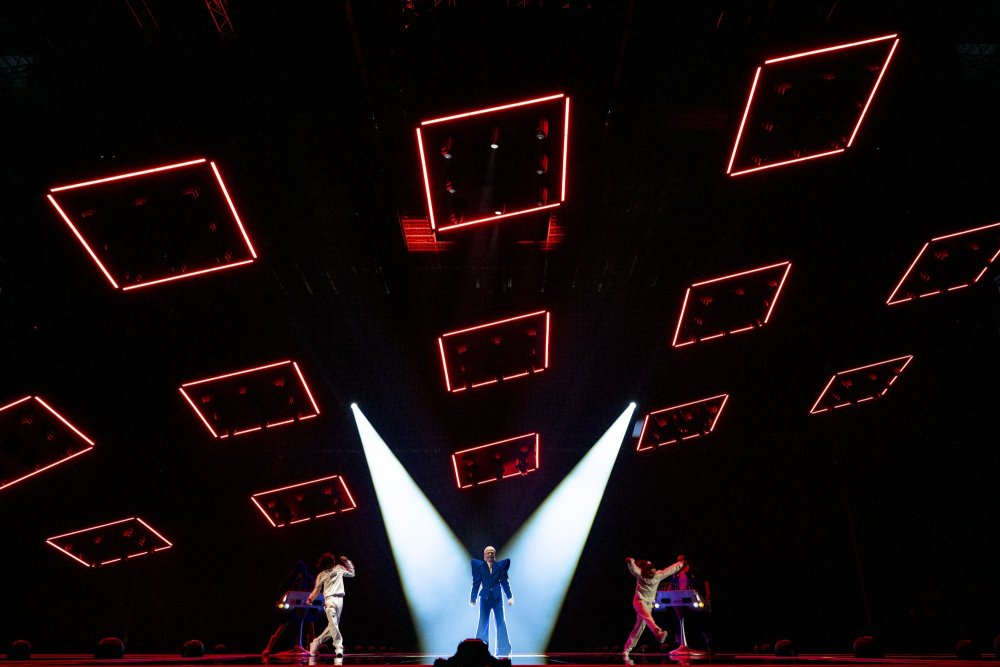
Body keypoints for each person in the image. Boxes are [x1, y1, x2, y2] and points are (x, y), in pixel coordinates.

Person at [622, 555, 686, 657]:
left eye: (653, 571)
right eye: (649, 572)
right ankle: (658, 632)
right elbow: (634, 569)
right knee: (648, 616)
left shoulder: (658, 575)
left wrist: (681, 563)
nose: (652, 574)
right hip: (639, 601)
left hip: (649, 604)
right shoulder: (640, 574)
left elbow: (671, 570)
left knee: (639, 628)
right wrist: (630, 562)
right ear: (644, 571)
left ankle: (627, 649)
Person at [263, 560, 317, 656]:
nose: (299, 576)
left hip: (305, 606)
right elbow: (282, 590)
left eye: (301, 574)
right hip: (292, 606)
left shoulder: (309, 578)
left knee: (310, 623)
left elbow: (314, 589)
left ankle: (311, 649)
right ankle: (268, 648)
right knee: (284, 624)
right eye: (298, 574)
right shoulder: (290, 578)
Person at [306, 553, 356, 657]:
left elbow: (352, 573)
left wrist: (347, 562)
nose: (334, 562)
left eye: (334, 561)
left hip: (340, 599)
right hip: (329, 600)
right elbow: (317, 589)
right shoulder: (321, 575)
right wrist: (311, 598)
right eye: (332, 561)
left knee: (333, 626)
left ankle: (316, 642)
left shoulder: (339, 568)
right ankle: (339, 647)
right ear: (327, 564)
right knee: (333, 623)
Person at [662, 554, 712, 654]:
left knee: (699, 620)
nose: (679, 562)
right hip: (678, 599)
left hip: (693, 598)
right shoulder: (675, 572)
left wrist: (708, 593)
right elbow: (671, 584)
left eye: (681, 560)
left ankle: (708, 643)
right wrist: (667, 595)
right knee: (678, 620)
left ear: (686, 561)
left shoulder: (693, 570)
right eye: (677, 561)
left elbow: (705, 581)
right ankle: (679, 644)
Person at [469, 545, 514, 657]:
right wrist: (472, 598)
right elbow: (476, 583)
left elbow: (504, 582)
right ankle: (480, 650)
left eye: (492, 553)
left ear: (494, 555)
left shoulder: (499, 567)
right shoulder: (480, 567)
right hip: (485, 598)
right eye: (488, 553)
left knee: (500, 622)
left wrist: (509, 596)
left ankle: (503, 649)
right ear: (484, 556)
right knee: (483, 622)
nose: (490, 554)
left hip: (497, 598)